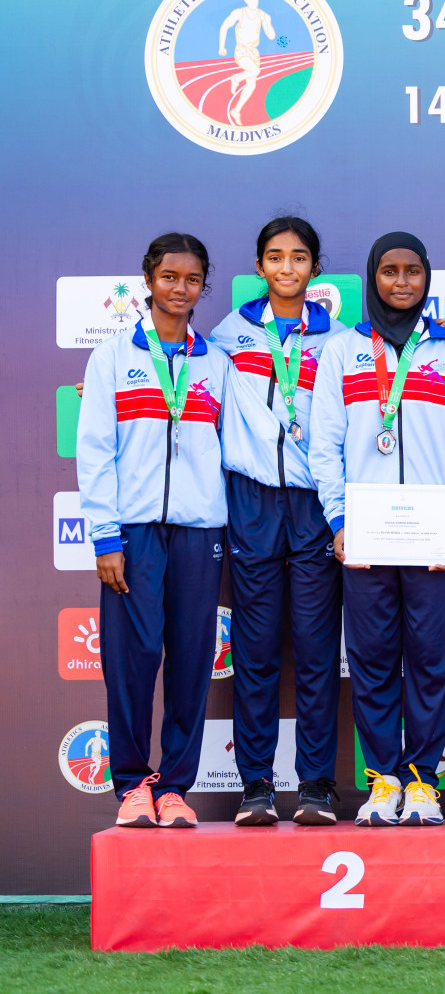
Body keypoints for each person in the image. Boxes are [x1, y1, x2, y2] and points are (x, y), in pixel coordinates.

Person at [310, 232, 445, 825]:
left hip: (435, 533)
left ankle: (422, 780)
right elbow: (326, 444)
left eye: (413, 271)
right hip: (366, 534)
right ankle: (383, 780)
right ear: (372, 277)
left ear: (427, 277)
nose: (402, 282)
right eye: (389, 271)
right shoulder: (341, 349)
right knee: (374, 660)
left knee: (433, 661)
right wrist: (338, 519)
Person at [77, 233, 234, 828]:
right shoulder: (113, 356)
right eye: (169, 276)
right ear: (148, 279)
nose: (179, 288)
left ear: (202, 287)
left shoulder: (214, 361)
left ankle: (174, 788)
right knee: (132, 661)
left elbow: (232, 448)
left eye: (192, 280)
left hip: (200, 532)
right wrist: (106, 535)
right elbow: (94, 451)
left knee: (193, 662)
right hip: (135, 532)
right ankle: (130, 785)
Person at [208, 216, 343, 827]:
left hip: (314, 506)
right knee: (257, 653)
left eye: (298, 258)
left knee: (316, 654)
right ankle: (256, 787)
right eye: (274, 257)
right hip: (253, 500)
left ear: (316, 268)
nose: (286, 268)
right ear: (259, 266)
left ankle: (316, 786)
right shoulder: (229, 335)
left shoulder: (338, 340)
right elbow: (190, 403)